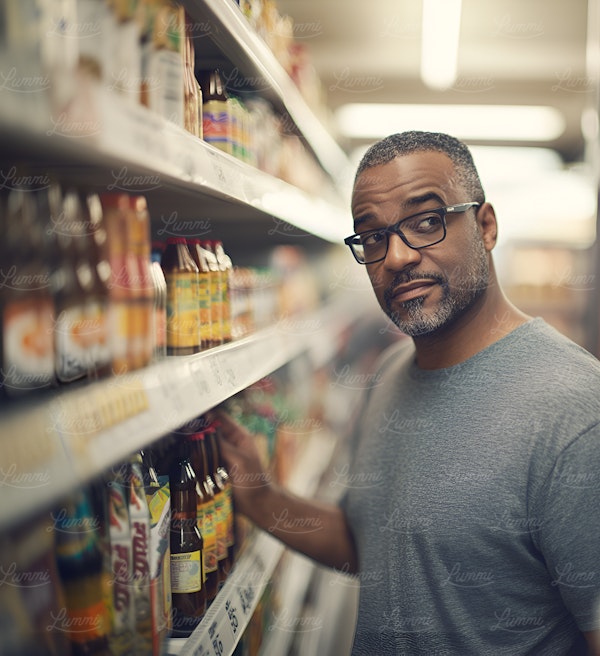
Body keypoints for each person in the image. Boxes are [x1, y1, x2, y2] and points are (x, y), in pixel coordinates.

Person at [217, 131, 600, 655]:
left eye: (426, 221)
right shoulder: (389, 374)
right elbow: (375, 547)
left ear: (485, 226)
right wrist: (261, 497)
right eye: (372, 236)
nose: (395, 256)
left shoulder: (574, 411)